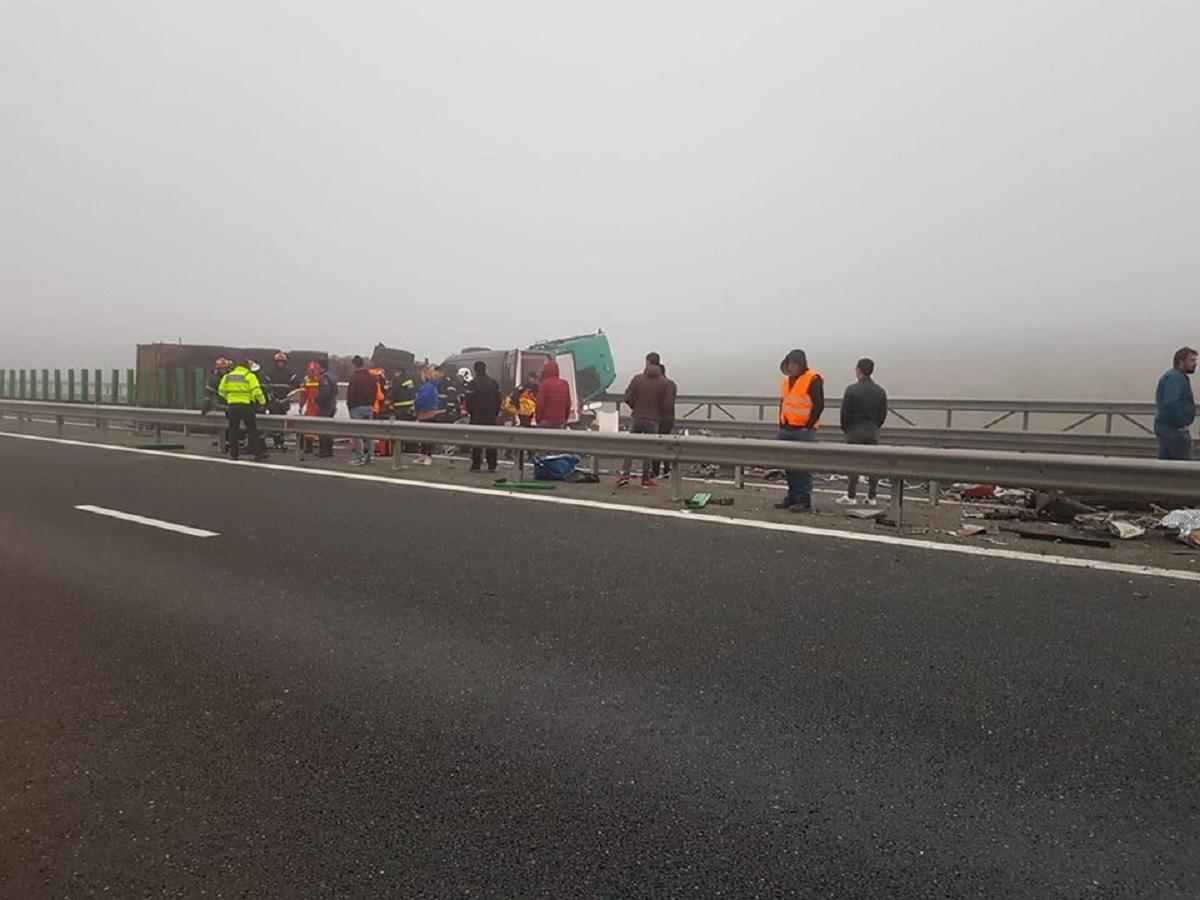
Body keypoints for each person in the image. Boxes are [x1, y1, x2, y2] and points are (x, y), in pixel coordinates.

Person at [775, 348, 824, 512]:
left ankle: (803, 499)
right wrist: (781, 423)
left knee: (802, 467)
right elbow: (784, 403)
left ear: (801, 364)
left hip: (803, 430)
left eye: (794, 363)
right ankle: (792, 496)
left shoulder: (812, 379)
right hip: (787, 428)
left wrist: (808, 426)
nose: (792, 367)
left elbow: (819, 405)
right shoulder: (786, 381)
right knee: (789, 466)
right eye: (789, 363)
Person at [836, 358, 888, 506]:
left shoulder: (852, 390)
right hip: (872, 430)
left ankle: (851, 496)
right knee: (872, 463)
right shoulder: (880, 391)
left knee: (853, 463)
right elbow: (882, 414)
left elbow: (845, 413)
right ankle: (871, 497)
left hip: (855, 430)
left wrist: (846, 429)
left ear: (859, 370)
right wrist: (875, 426)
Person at [617, 352, 672, 488]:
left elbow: (628, 397)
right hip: (653, 419)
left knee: (631, 446)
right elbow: (667, 405)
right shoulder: (665, 383)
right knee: (648, 449)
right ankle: (646, 478)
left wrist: (636, 407)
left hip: (637, 416)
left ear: (647, 362)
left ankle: (625, 474)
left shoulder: (637, 379)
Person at [217, 358, 268, 462]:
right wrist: (263, 403)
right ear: (246, 366)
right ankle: (257, 453)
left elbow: (221, 391)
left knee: (233, 430)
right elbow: (257, 391)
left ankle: (234, 455)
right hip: (246, 406)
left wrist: (230, 399)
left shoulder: (228, 376)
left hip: (232, 406)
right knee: (252, 430)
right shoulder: (249, 376)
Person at [1155, 346, 1198, 461]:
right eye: (1191, 360)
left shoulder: (1177, 377)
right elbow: (1170, 403)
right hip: (1174, 430)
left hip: (1169, 429)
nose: (1195, 364)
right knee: (1183, 469)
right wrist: (1180, 423)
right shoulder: (1175, 378)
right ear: (1181, 362)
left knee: (1168, 468)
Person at [464, 360, 502, 472]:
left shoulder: (472, 384)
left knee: (476, 442)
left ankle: (476, 465)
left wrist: (472, 412)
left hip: (477, 416)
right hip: (490, 416)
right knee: (491, 442)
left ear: (475, 370)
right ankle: (492, 465)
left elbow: (468, 401)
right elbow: (498, 399)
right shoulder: (493, 383)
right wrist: (495, 412)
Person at [346, 355, 377, 466]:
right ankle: (371, 455)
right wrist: (371, 404)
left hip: (357, 407)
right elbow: (375, 392)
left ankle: (360, 457)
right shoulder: (371, 377)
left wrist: (350, 406)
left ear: (355, 365)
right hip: (369, 407)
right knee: (369, 433)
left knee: (357, 434)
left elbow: (351, 394)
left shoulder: (355, 378)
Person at [266, 352, 299, 449]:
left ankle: (281, 441)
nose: (280, 364)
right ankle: (276, 442)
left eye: (282, 362)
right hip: (273, 401)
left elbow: (297, 384)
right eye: (278, 362)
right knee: (274, 422)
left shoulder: (289, 373)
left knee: (282, 422)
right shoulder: (270, 372)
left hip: (284, 401)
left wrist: (290, 393)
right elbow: (266, 385)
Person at [650, 362, 677, 479]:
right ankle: (666, 468)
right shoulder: (672, 384)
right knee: (666, 442)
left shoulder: (659, 385)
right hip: (670, 417)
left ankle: (655, 470)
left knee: (657, 444)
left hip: (659, 417)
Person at [413, 365, 442, 465]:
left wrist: (416, 405)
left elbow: (422, 398)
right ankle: (424, 454)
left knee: (426, 436)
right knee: (425, 435)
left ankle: (428, 455)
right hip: (429, 412)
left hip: (426, 413)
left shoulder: (427, 386)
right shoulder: (432, 386)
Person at [535, 360, 572, 428]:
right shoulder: (564, 384)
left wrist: (538, 419)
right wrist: (565, 419)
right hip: (560, 422)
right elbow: (568, 404)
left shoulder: (544, 384)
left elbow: (539, 404)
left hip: (545, 421)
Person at [314, 359, 338, 458]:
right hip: (331, 405)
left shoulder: (324, 378)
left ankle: (325, 450)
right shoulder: (332, 376)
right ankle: (329, 449)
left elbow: (325, 392)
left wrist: (317, 400)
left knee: (323, 428)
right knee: (329, 428)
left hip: (325, 406)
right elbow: (336, 390)